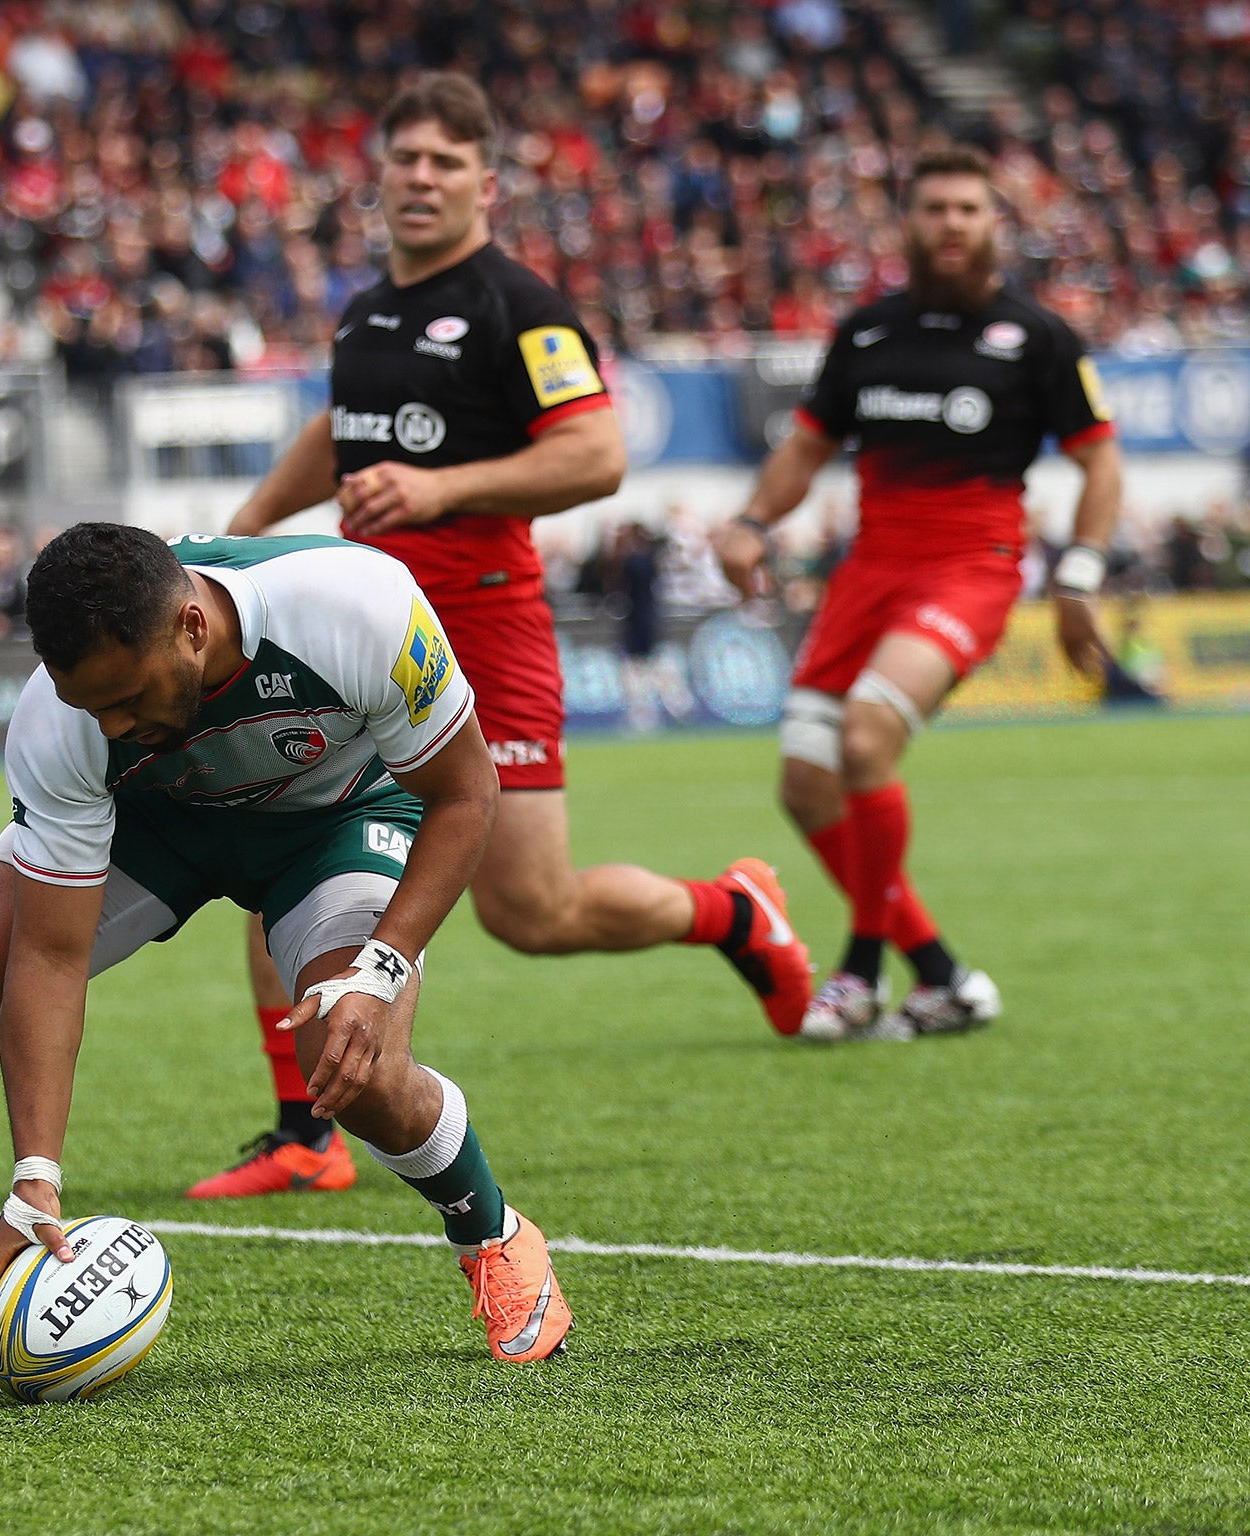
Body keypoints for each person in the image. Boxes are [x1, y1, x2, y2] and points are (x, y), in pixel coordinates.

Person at [0, 525, 575, 1396]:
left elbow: (469, 794)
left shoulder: (358, 606)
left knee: (350, 1061)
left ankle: (492, 1233)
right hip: (157, 824)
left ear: (190, 627)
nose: (111, 723)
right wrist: (36, 1177)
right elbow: (50, 957)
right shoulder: (60, 719)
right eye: (92, 706)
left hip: (337, 820)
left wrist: (382, 967)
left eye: (127, 699)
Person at [204, 72, 812, 1199]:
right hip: (356, 629)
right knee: (287, 859)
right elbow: (339, 427)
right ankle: (304, 1132)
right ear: (376, 177)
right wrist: (243, 529)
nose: (421, 179)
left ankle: (733, 910)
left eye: (445, 162)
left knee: (531, 912)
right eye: (405, 160)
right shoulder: (364, 309)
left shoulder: (516, 304)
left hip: (482, 624)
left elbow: (596, 454)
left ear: (484, 183)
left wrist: (441, 492)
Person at [715, 145, 1121, 1041]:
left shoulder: (1038, 338)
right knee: (804, 785)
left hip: (971, 567)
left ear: (993, 225)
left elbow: (1100, 460)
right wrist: (749, 520)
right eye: (934, 208)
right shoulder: (866, 333)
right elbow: (806, 449)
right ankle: (940, 975)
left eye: (968, 210)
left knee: (865, 739)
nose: (950, 225)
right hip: (870, 571)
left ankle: (859, 974)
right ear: (909, 222)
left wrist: (1081, 571)